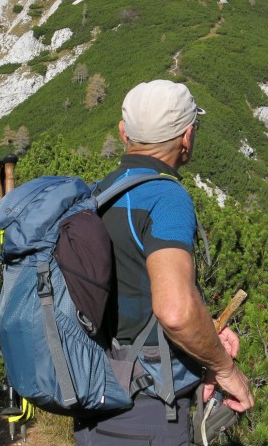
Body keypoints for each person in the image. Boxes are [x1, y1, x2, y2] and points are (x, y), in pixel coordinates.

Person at [74, 80, 254, 446]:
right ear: (186, 137)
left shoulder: (98, 194)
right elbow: (174, 311)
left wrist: (205, 338)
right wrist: (225, 369)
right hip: (146, 413)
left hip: (94, 404)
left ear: (124, 133)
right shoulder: (166, 197)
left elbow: (131, 294)